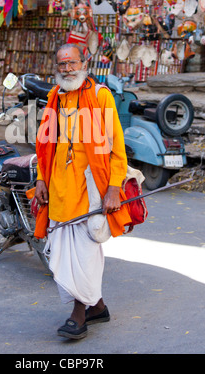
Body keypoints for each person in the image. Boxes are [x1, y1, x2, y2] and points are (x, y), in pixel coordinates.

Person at [34, 43, 131, 340]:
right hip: (59, 185)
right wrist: (40, 180)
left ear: (84, 63)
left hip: (91, 184)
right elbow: (44, 143)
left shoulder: (101, 96)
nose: (67, 69)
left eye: (72, 63)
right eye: (61, 65)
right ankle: (97, 307)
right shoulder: (54, 97)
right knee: (63, 244)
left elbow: (116, 145)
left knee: (84, 248)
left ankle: (79, 313)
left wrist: (114, 188)